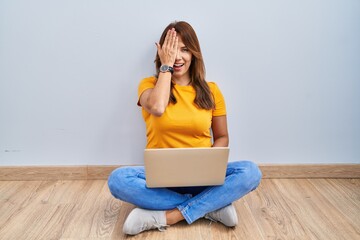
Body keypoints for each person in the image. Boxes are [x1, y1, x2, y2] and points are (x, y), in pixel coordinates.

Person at [108, 21, 262, 235]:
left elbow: (222, 136)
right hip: (160, 180)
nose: (178, 57)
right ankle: (211, 207)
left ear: (194, 53)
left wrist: (210, 165)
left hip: (202, 178)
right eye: (172, 50)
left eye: (184, 49)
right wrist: (166, 67)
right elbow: (158, 108)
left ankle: (165, 215)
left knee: (250, 172)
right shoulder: (148, 86)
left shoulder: (212, 91)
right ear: (162, 53)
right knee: (118, 180)